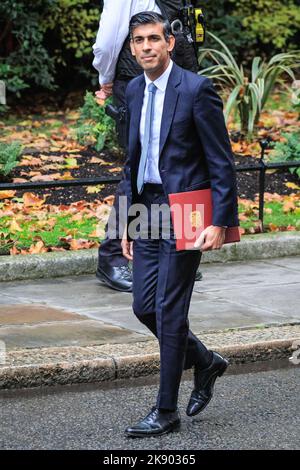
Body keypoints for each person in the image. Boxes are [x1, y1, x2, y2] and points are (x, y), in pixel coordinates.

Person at [121, 12, 239, 438]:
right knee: (143, 307)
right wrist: (125, 220)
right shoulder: (133, 90)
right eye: (139, 41)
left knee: (170, 313)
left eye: (154, 38)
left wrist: (220, 221)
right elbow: (131, 162)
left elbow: (220, 160)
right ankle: (205, 361)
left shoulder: (195, 89)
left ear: (169, 43)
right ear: (132, 48)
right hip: (146, 210)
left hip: (187, 211)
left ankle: (165, 411)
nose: (147, 46)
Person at [92, 0, 203, 292]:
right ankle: (113, 255)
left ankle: (174, 251)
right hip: (136, 80)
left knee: (175, 158)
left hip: (175, 77)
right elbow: (106, 42)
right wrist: (106, 80)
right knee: (138, 168)